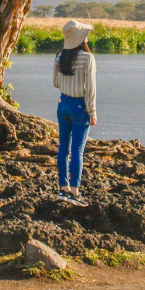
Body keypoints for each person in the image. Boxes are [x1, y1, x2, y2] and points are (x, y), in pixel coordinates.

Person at [53, 19, 98, 199]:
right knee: (77, 150)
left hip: (62, 104)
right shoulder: (88, 58)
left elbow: (55, 83)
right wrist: (92, 112)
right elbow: (91, 88)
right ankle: (75, 192)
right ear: (81, 39)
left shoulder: (59, 56)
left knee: (63, 148)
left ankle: (63, 188)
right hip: (79, 106)